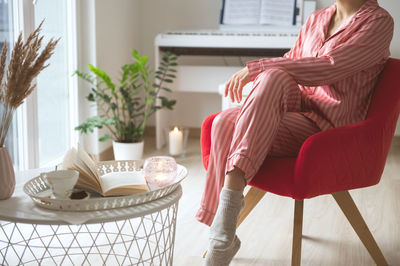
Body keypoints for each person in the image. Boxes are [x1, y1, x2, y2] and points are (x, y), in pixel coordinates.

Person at [196, 0, 394, 265]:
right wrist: (264, 71)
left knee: (263, 81)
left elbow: (329, 67)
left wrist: (255, 68)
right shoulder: (316, 18)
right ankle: (221, 233)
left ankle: (221, 238)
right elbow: (290, 62)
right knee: (227, 119)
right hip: (298, 110)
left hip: (330, 131)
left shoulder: (378, 22)